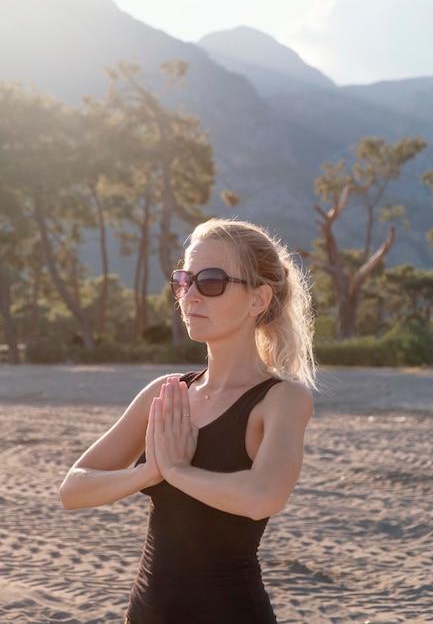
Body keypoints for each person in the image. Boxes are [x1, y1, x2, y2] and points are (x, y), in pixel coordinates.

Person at [60, 217, 317, 624]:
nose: (190, 296)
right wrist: (148, 473)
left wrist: (177, 471)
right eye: (184, 280)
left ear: (258, 299)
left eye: (211, 281)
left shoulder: (282, 399)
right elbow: (73, 489)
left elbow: (262, 497)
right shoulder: (166, 392)